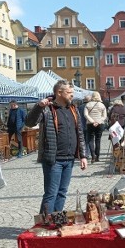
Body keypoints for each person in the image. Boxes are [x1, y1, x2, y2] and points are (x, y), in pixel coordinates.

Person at [26, 79, 88, 213]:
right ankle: (44, 224)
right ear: (59, 92)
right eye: (69, 92)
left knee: (62, 193)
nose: (72, 95)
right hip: (54, 160)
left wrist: (83, 155)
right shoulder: (47, 109)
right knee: (51, 194)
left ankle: (56, 219)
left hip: (69, 159)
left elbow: (80, 133)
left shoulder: (73, 109)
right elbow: (29, 122)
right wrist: (38, 106)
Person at [84, 91, 107, 163]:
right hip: (100, 124)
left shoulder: (88, 104)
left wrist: (92, 121)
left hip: (90, 124)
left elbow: (85, 115)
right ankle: (97, 156)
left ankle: (93, 155)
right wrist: (98, 121)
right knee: (98, 140)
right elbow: (104, 116)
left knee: (90, 140)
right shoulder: (102, 105)